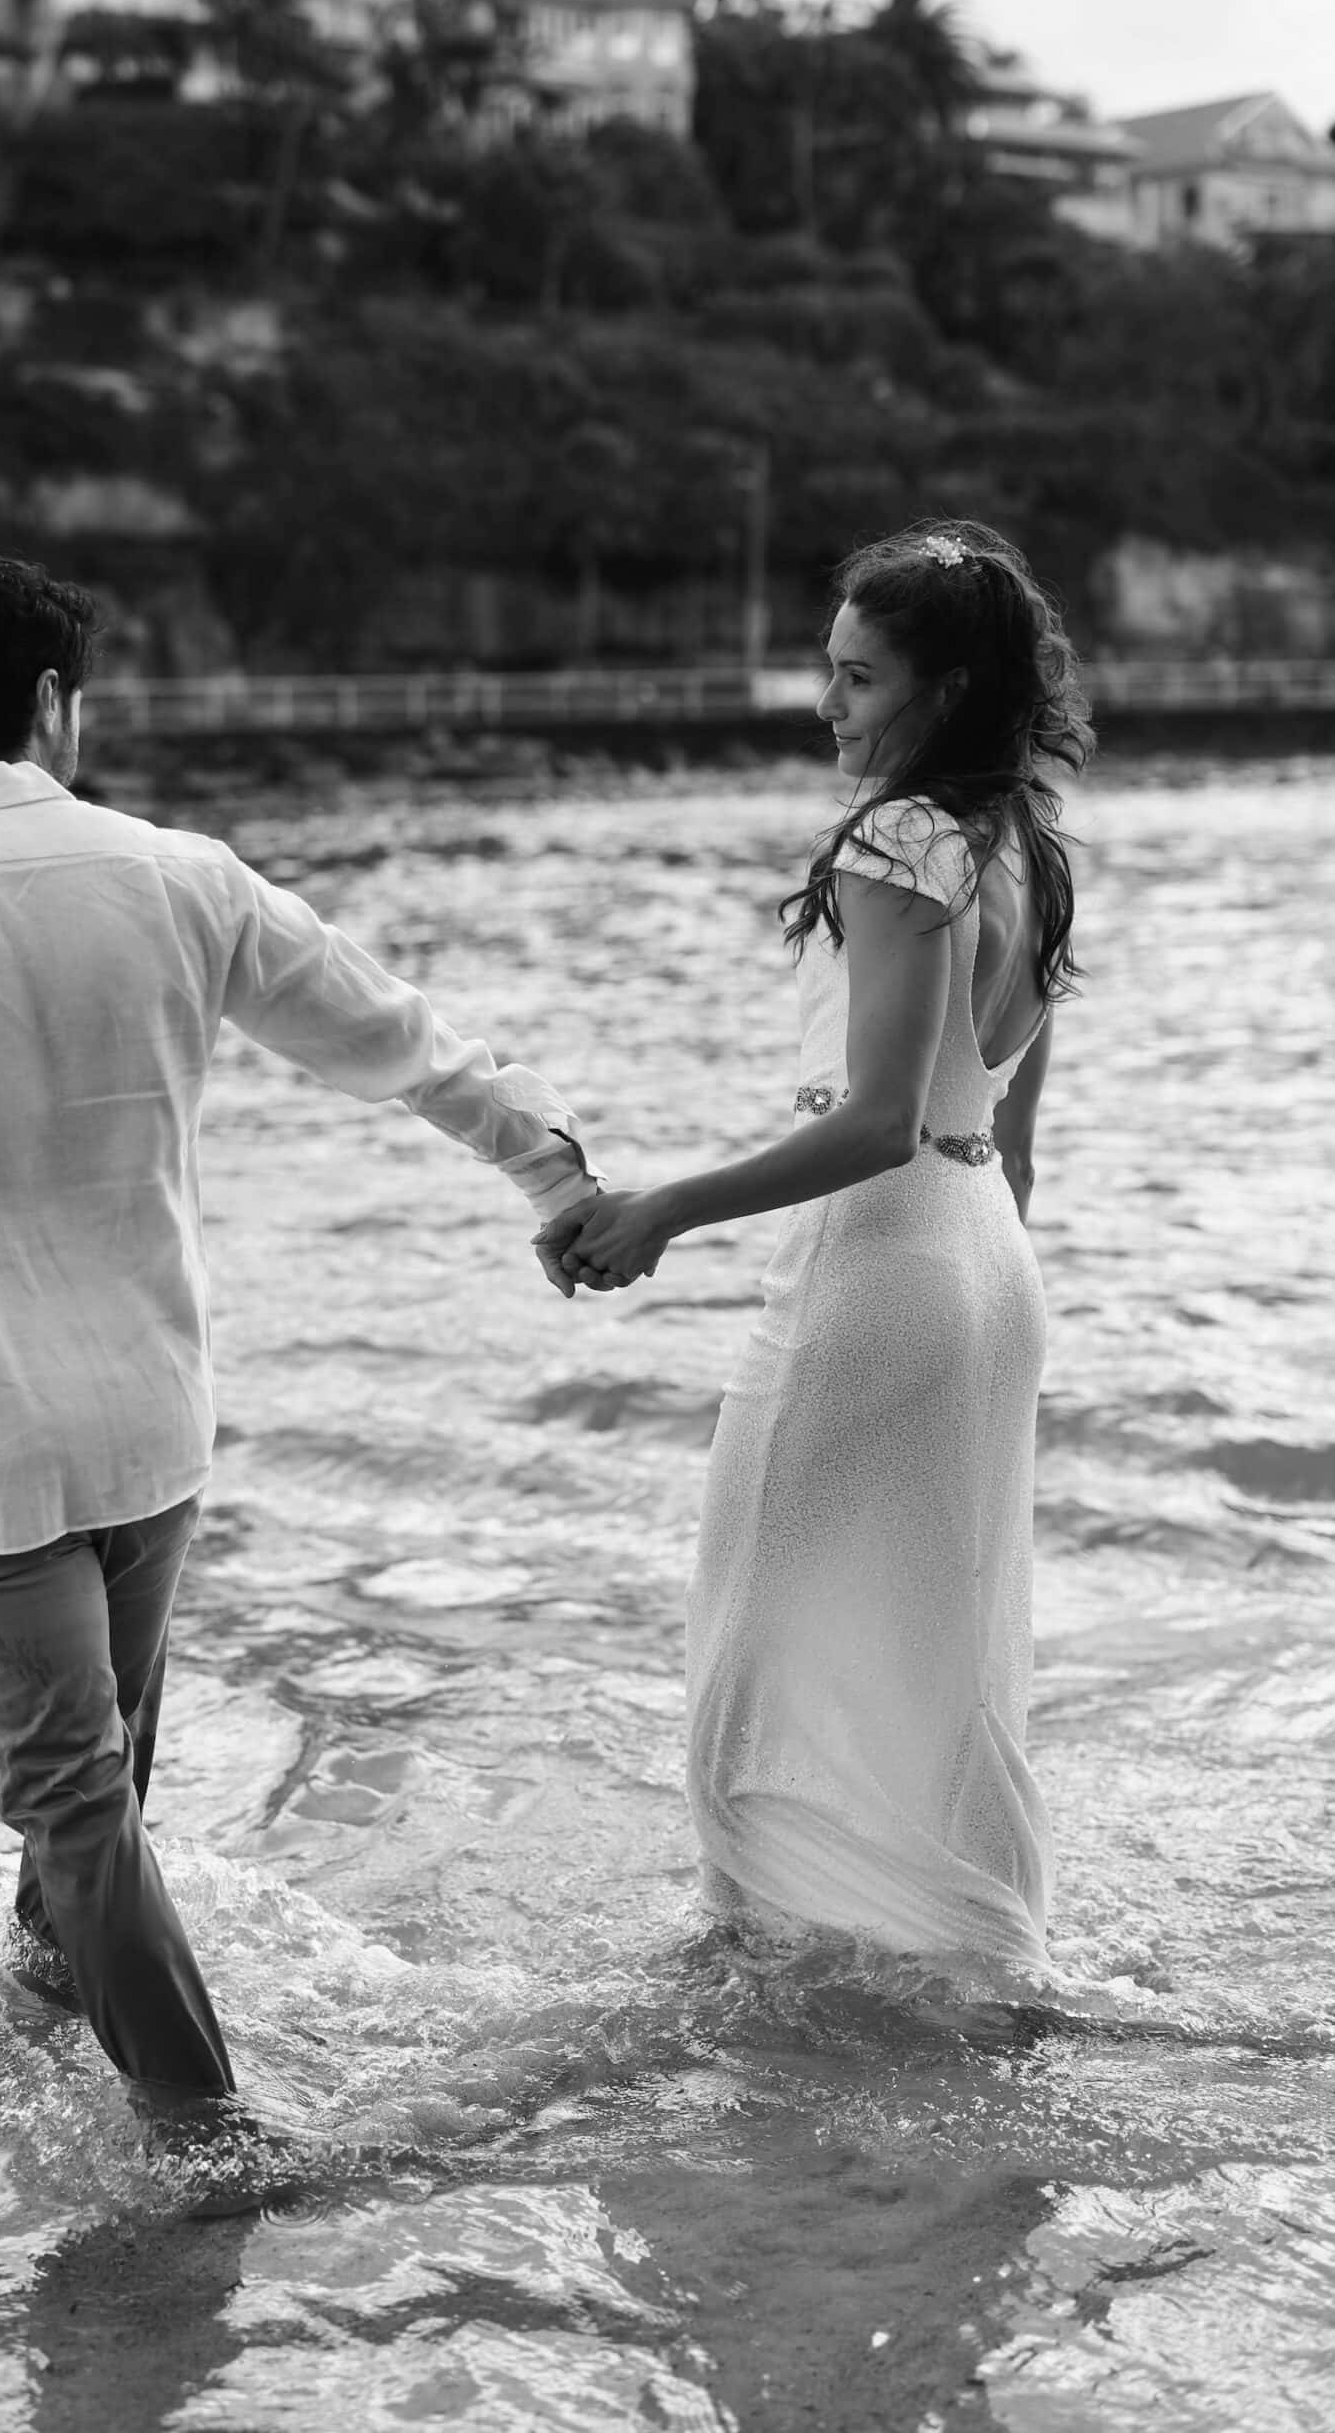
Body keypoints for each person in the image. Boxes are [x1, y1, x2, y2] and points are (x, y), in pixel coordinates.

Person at [0, 546, 602, 2100]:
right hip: (147, 1426)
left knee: (76, 1806)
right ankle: (84, 2040)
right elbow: (395, 1040)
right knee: (100, 1789)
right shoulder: (177, 878)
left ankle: (194, 2137)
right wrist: (551, 1165)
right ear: (55, 706)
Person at [538, 519, 1093, 1976]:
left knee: (754, 1654)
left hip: (888, 1255)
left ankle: (762, 1981)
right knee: (941, 1649)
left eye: (860, 681)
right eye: (830, 674)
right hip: (983, 1266)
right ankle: (972, 1959)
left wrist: (658, 1210)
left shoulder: (900, 841)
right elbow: (1001, 1128)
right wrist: (967, 1269)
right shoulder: (1021, 843)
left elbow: (880, 1124)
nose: (830, 708)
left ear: (949, 688)